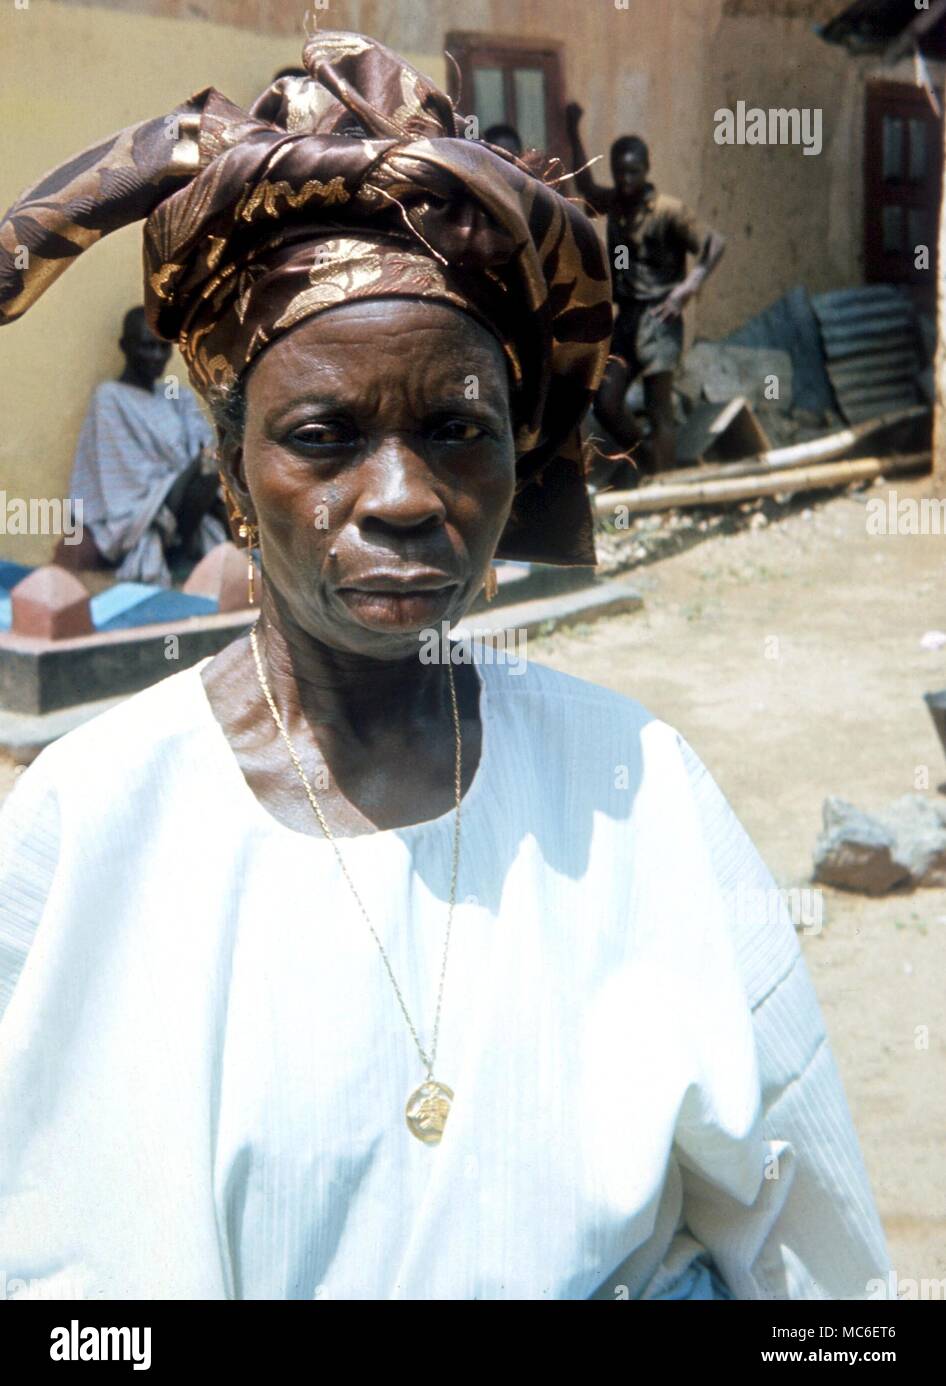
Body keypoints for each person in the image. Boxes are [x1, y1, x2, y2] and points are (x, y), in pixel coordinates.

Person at [0, 31, 889, 1301]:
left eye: (456, 430)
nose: (405, 496)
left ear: (518, 454)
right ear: (232, 471)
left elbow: (815, 1262)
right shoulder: (92, 826)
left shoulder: (632, 788)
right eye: (324, 435)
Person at [566, 104, 726, 476]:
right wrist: (572, 128)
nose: (625, 180)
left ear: (647, 170)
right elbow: (586, 188)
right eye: (620, 172)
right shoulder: (616, 205)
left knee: (659, 409)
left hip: (661, 319)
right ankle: (650, 463)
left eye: (633, 172)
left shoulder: (669, 211)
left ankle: (665, 493)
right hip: (628, 319)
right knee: (606, 401)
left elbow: (714, 243)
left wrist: (687, 290)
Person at [66, 306, 228, 585]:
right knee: (208, 464)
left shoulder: (175, 396)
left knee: (218, 460)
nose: (156, 356)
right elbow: (119, 471)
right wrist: (170, 482)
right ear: (125, 347)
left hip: (186, 491)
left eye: (162, 348)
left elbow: (204, 444)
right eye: (146, 347)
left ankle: (211, 544)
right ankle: (175, 550)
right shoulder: (110, 397)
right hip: (141, 501)